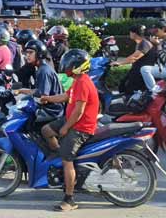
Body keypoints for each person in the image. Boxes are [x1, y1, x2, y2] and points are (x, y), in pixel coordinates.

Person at [38, 49, 100, 212]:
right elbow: (66, 96)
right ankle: (60, 155)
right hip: (71, 120)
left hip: (81, 127)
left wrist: (65, 128)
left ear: (77, 66)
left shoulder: (83, 82)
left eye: (70, 64)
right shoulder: (78, 81)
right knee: (46, 130)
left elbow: (79, 112)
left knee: (67, 160)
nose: (66, 66)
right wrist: (47, 98)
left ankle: (69, 198)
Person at [15, 39, 63, 117]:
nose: (27, 55)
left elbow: (44, 99)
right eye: (26, 52)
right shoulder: (41, 68)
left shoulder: (43, 71)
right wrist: (21, 91)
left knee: (22, 115)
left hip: (53, 110)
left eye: (30, 52)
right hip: (50, 107)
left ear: (39, 54)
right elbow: (39, 91)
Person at [113, 24, 157, 96]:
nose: (130, 34)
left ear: (134, 33)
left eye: (130, 32)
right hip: (137, 70)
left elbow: (134, 58)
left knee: (128, 87)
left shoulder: (144, 44)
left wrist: (119, 63)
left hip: (140, 72)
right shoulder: (140, 43)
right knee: (123, 85)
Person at [143, 23, 166, 93]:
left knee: (145, 69)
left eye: (156, 31)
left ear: (163, 30)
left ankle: (155, 90)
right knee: (143, 66)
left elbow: (165, 59)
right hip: (163, 67)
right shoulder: (162, 40)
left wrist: (158, 45)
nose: (155, 33)